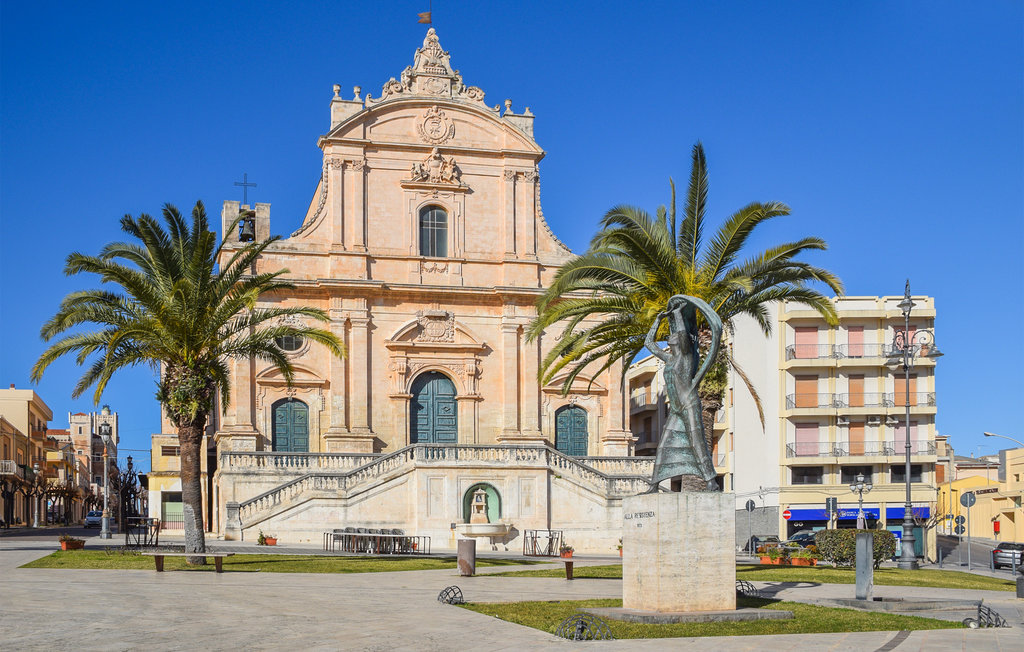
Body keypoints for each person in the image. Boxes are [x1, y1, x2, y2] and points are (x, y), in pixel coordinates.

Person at [644, 294, 723, 490]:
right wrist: (657, 320)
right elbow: (648, 344)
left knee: (697, 443)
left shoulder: (686, 357)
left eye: (674, 335)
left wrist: (679, 313)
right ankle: (654, 484)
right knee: (663, 446)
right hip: (677, 408)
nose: (670, 335)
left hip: (689, 403)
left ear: (678, 342)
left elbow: (681, 332)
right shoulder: (669, 359)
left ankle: (711, 482)